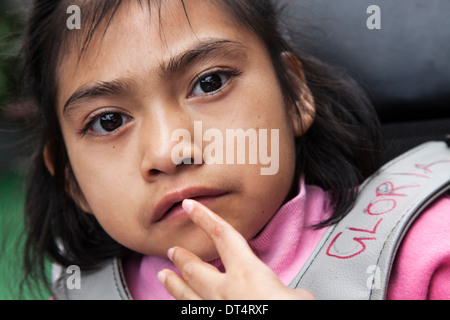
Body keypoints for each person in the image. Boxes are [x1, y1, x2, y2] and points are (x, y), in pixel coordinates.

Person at [18, 0, 449, 300]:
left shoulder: (424, 251)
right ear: (71, 179)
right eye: (108, 121)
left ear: (294, 94)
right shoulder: (81, 290)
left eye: (209, 82)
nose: (170, 151)